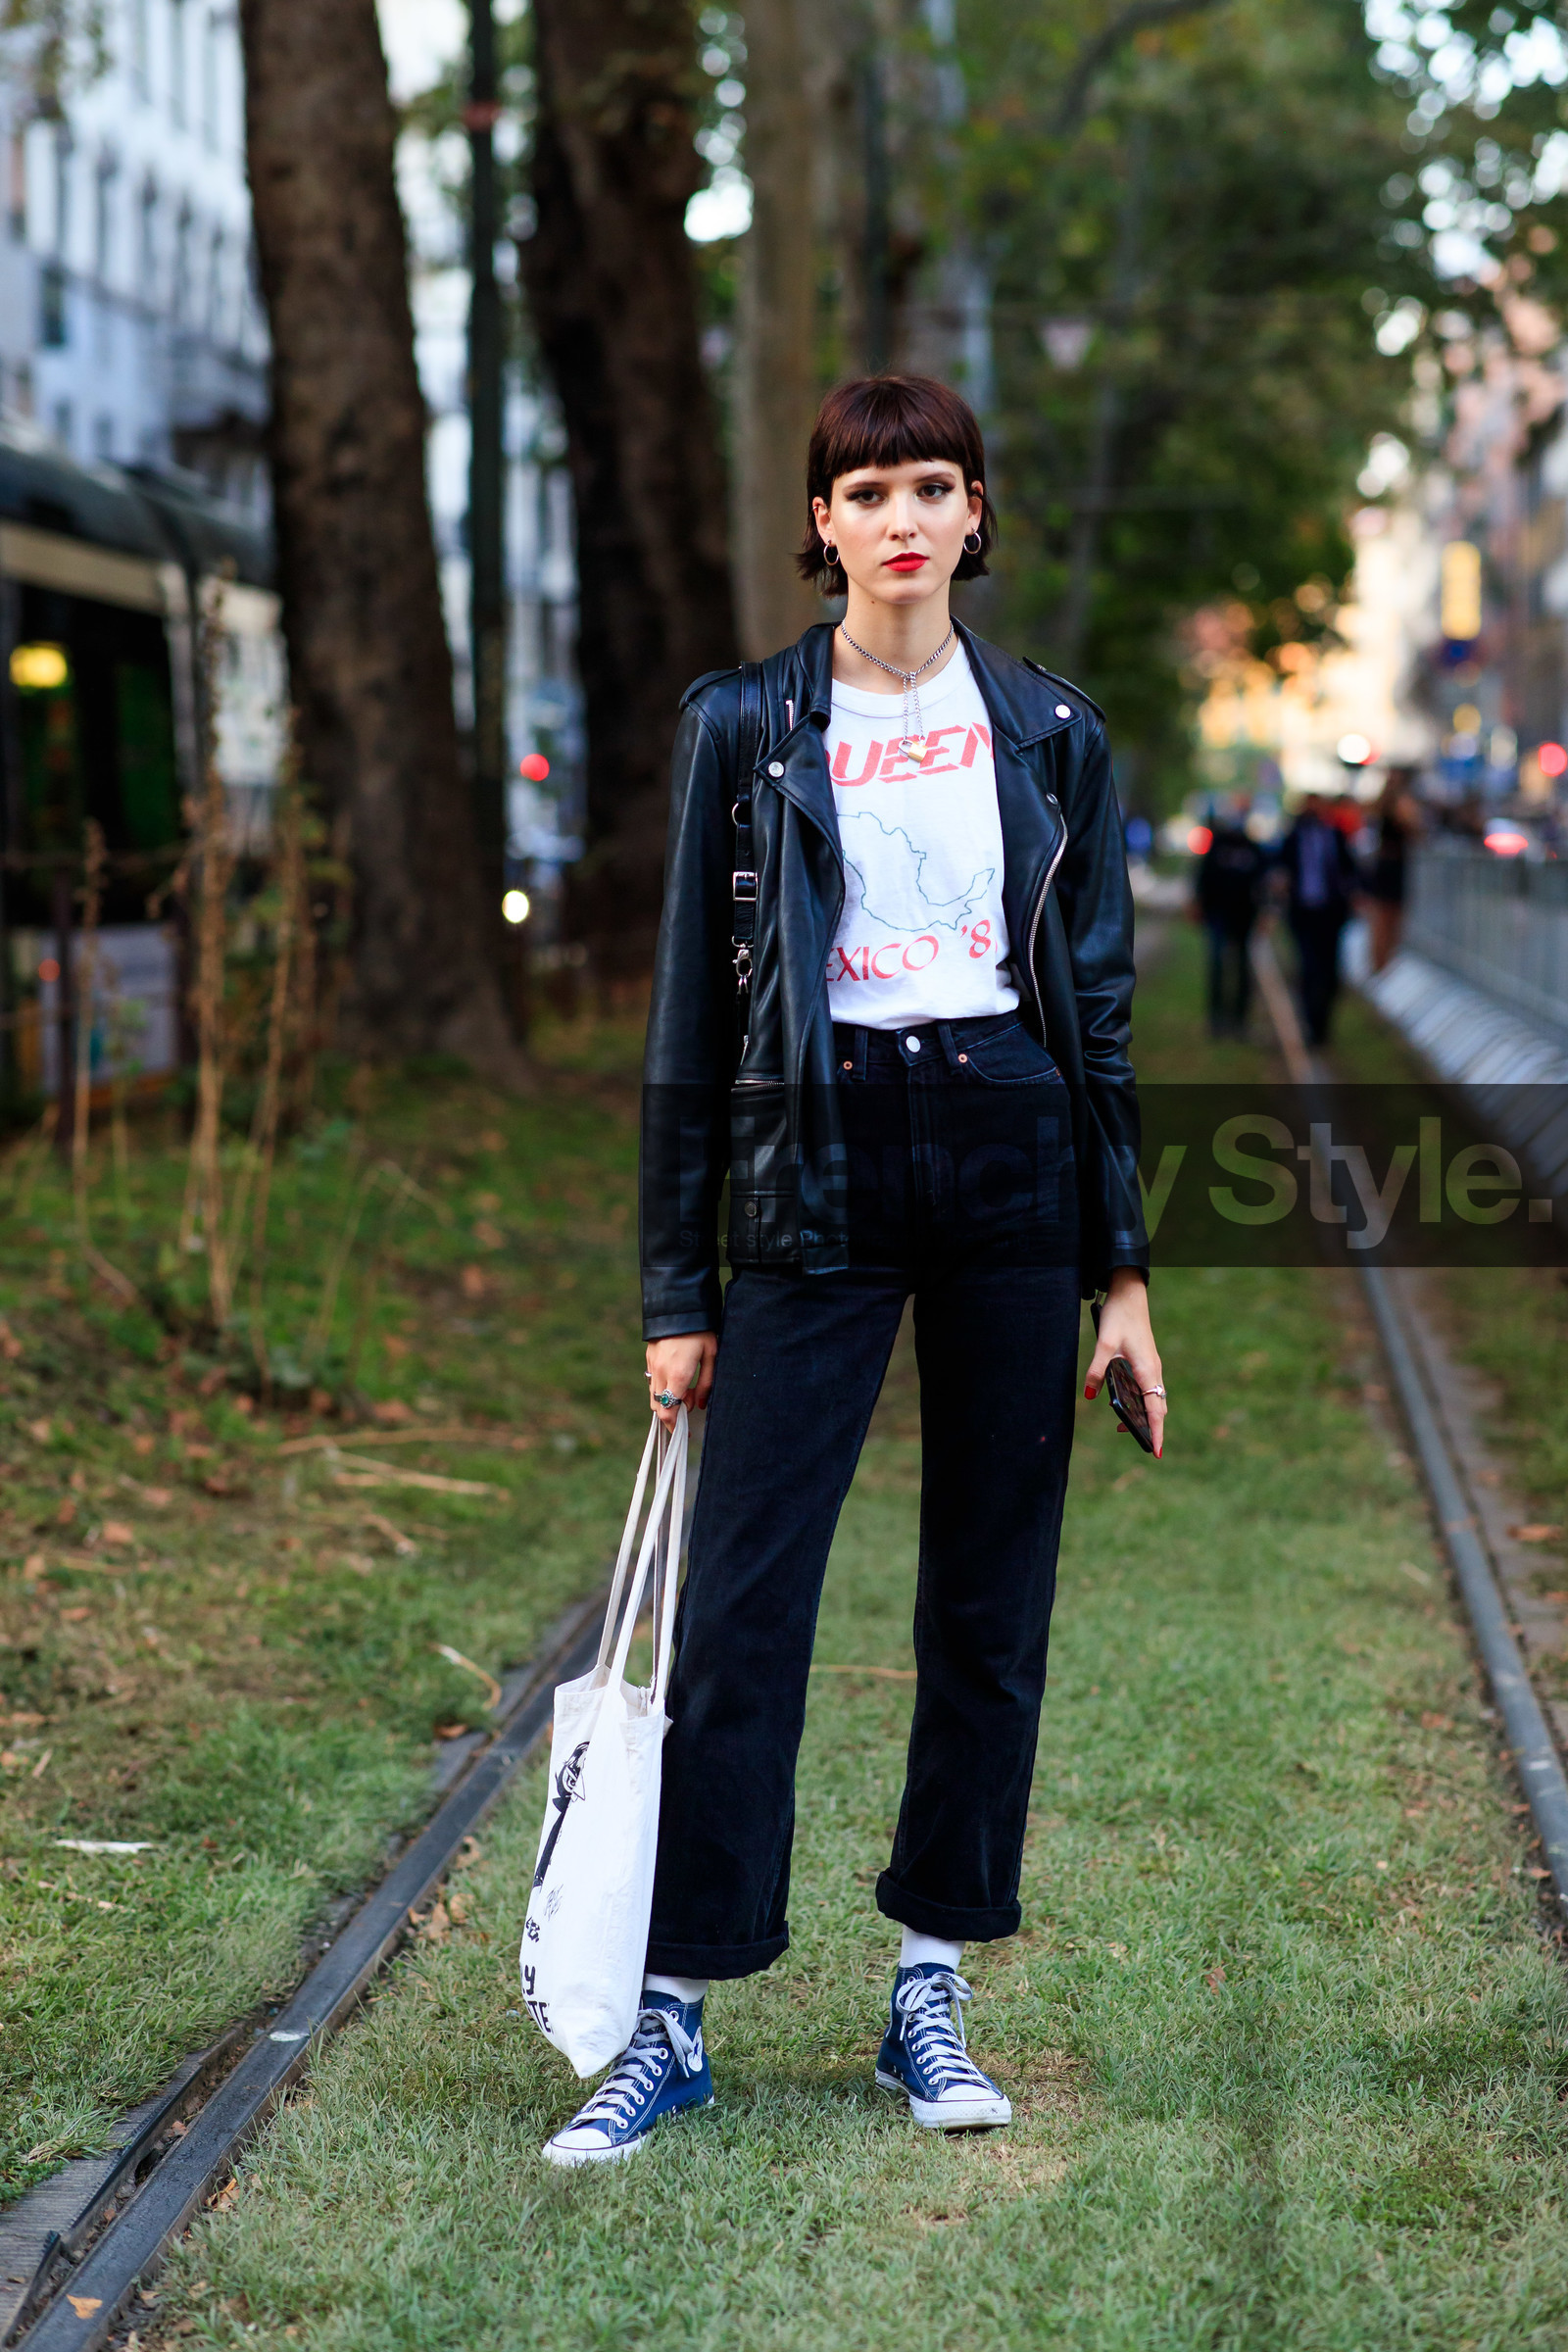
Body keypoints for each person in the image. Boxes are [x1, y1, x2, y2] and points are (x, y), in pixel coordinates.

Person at [543, 374, 1163, 2167]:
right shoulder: (746, 727)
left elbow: (1098, 1008)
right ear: (822, 522)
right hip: (810, 1163)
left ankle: (927, 1988)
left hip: (1005, 1148)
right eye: (868, 490)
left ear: (979, 514)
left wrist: (1120, 1270)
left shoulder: (1052, 732)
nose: (902, 519)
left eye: (934, 488)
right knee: (745, 1607)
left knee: (990, 1597)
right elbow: (687, 1010)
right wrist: (679, 1289)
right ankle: (675, 2008)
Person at [1277, 791, 1359, 1047]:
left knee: (1330, 973)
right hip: (1303, 914)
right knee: (1309, 969)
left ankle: (1323, 1025)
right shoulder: (1292, 837)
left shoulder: (1335, 835)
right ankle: (1310, 1024)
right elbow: (1279, 868)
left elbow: (1351, 870)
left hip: (1330, 914)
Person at [1194, 796, 1268, 1035]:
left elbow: (1262, 883)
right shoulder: (1218, 845)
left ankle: (1240, 1020)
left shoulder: (1252, 848)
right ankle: (1216, 1020)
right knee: (1217, 966)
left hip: (1244, 917)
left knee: (1243, 969)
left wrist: (1264, 912)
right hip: (1218, 914)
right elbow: (1203, 877)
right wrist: (1199, 904)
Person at [1364, 766, 1423, 973]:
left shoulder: (1384, 804)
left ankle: (1382, 966)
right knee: (1386, 919)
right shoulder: (1396, 804)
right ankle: (1381, 966)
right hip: (1391, 866)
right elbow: (1415, 829)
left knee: (1386, 919)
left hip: (1391, 865)